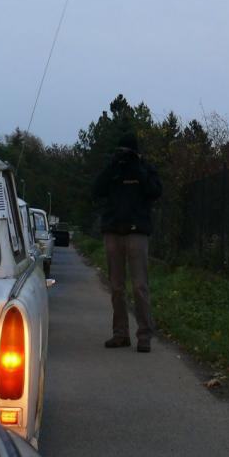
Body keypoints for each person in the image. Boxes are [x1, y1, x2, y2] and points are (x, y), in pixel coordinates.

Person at [92, 131, 162, 352]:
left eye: (127, 152)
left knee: (140, 286)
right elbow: (96, 189)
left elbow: (154, 191)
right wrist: (113, 165)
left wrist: (137, 167)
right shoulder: (114, 169)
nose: (124, 156)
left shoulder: (144, 168)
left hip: (137, 232)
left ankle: (144, 335)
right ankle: (120, 334)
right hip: (113, 231)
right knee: (116, 287)